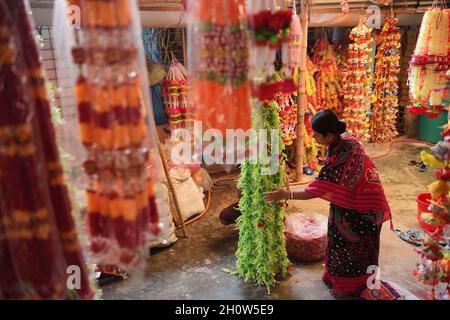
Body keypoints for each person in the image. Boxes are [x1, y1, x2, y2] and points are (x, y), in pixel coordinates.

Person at [264, 109, 392, 297]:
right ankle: (339, 279)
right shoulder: (347, 142)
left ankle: (345, 288)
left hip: (362, 211)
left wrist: (286, 194)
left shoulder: (342, 157)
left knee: (348, 249)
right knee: (340, 243)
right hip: (354, 204)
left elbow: (316, 190)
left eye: (316, 135)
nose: (313, 137)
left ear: (329, 135)